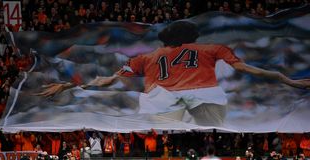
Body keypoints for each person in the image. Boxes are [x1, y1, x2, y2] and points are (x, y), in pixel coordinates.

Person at [37, 21, 310, 127]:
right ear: (192, 37)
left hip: (161, 97)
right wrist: (288, 80)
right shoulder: (213, 48)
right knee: (211, 124)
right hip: (205, 94)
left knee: (162, 123)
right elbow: (249, 69)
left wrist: (68, 87)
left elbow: (106, 81)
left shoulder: (145, 57)